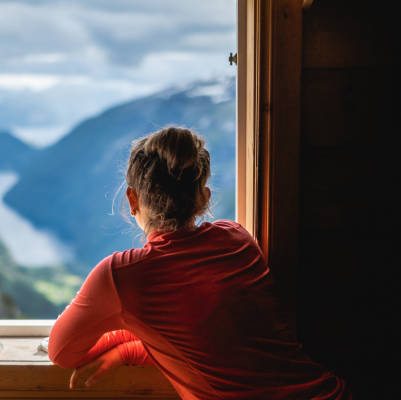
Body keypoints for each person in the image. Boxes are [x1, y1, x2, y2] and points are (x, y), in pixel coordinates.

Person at [48, 126, 350, 399]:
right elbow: (218, 340)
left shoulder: (122, 277)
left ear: (132, 200)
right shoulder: (238, 241)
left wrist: (127, 338)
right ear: (204, 198)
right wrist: (132, 345)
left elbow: (62, 351)